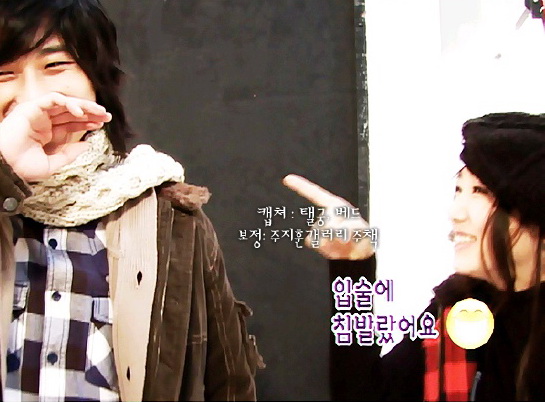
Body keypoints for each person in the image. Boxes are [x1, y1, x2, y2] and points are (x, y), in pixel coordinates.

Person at [0, 0, 263, 401]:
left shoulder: (172, 220)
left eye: (55, 65)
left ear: (97, 80)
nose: (33, 95)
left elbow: (228, 385)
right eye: (4, 73)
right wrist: (6, 172)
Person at [283, 111, 545, 401]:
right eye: (459, 189)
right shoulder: (458, 309)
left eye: (480, 192)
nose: (456, 213)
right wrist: (353, 267)